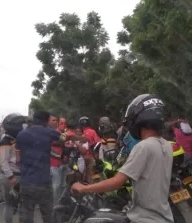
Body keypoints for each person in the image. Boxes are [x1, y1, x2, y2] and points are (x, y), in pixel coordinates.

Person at [72, 94, 174, 223]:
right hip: (164, 217)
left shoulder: (143, 147)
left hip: (144, 218)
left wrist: (84, 188)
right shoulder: (166, 145)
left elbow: (117, 182)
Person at [16, 111, 60, 223]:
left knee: (26, 215)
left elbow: (17, 160)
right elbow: (64, 138)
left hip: (27, 182)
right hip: (44, 181)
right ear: (46, 120)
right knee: (48, 215)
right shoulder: (49, 132)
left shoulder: (21, 134)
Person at [0, 113, 26, 223]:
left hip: (21, 175)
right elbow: (3, 162)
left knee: (22, 204)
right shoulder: (5, 141)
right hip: (10, 176)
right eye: (22, 125)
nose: (23, 127)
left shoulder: (19, 139)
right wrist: (11, 177)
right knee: (9, 204)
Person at [78, 116, 100, 183]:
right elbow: (98, 143)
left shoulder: (78, 133)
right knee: (91, 174)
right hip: (91, 156)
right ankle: (90, 190)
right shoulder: (92, 131)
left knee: (81, 175)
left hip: (80, 157)